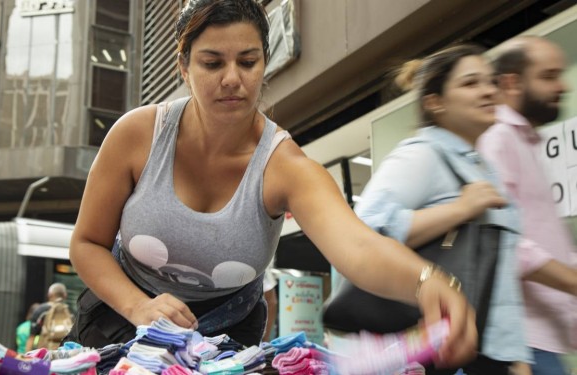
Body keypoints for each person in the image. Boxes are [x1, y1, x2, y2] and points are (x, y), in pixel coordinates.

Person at [68, 0, 476, 367]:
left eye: (248, 62)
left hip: (224, 344)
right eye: (212, 63)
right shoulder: (136, 135)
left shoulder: (285, 165)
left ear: (265, 61)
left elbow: (358, 245)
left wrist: (428, 283)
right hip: (118, 321)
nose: (232, 79)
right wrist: (139, 307)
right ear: (183, 65)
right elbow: (86, 243)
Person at [350, 44, 531, 374]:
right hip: (443, 351)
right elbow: (364, 231)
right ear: (435, 102)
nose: (488, 91)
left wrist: (516, 360)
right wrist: (460, 209)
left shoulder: (480, 167)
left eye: (491, 81)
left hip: (487, 354)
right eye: (470, 83)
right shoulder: (423, 154)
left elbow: (498, 281)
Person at [477, 35, 577, 375]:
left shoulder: (524, 142)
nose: (561, 86)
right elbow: (505, 240)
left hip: (543, 340)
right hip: (524, 343)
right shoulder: (498, 139)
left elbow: (539, 238)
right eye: (548, 76)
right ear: (511, 83)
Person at [26, 283, 72, 352]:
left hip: (45, 353)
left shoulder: (41, 310)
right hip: (65, 355)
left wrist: (27, 357)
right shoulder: (70, 312)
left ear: (49, 295)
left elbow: (32, 337)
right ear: (65, 295)